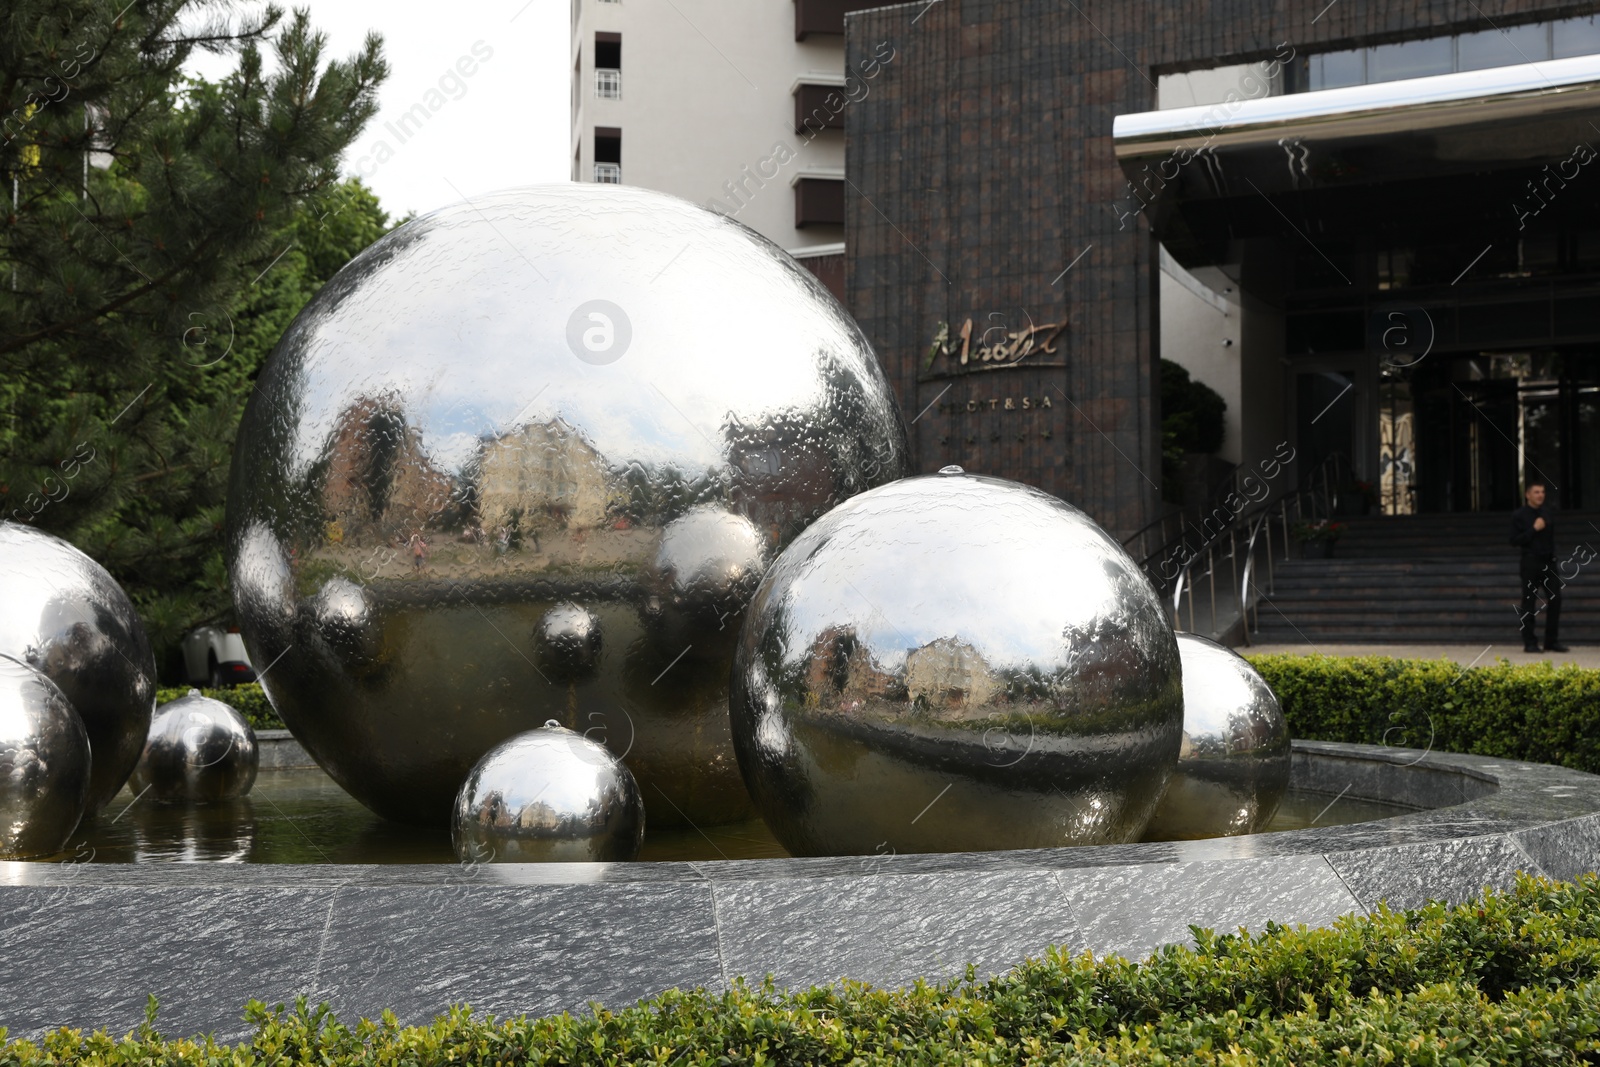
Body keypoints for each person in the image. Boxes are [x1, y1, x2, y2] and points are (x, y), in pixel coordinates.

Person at [1510, 480, 1568, 653]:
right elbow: (1514, 541)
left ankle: (1551, 641)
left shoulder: (1547, 513)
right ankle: (1530, 642)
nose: (1540, 495)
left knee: (1556, 598)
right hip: (1530, 562)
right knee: (1529, 601)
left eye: (1542, 492)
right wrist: (1533, 529)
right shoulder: (1519, 515)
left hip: (1548, 562)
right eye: (1536, 492)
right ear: (1528, 494)